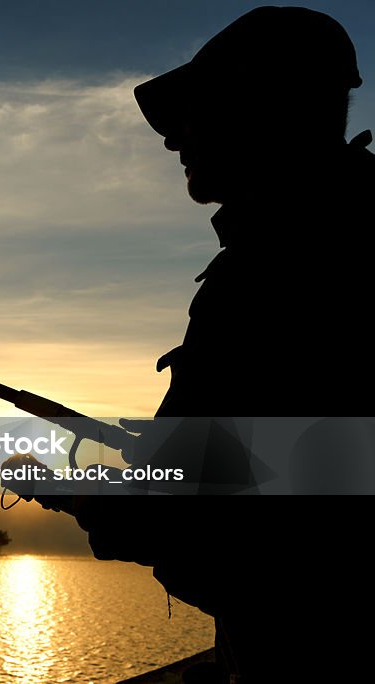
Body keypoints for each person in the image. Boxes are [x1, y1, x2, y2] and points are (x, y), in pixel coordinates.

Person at [37, 7, 375, 682]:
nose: (171, 141)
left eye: (193, 111)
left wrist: (81, 490)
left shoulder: (286, 267)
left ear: (258, 108)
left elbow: (272, 516)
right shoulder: (335, 231)